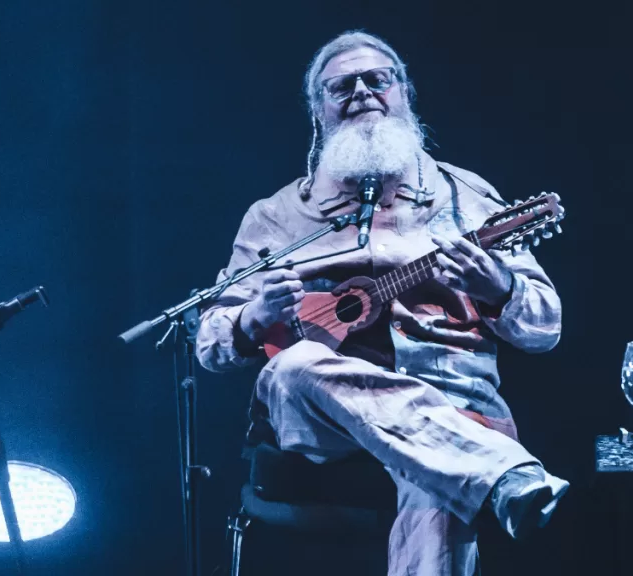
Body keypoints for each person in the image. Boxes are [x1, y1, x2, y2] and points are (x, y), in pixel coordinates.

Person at [196, 30, 568, 576]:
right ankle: (505, 473)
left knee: (438, 480)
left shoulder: (467, 197)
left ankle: (477, 467)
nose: (362, 94)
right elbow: (209, 341)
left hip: (451, 406)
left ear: (404, 92)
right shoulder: (276, 215)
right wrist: (253, 317)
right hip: (321, 417)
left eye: (377, 80)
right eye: (341, 87)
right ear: (318, 109)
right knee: (294, 364)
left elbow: (545, 326)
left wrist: (498, 288)